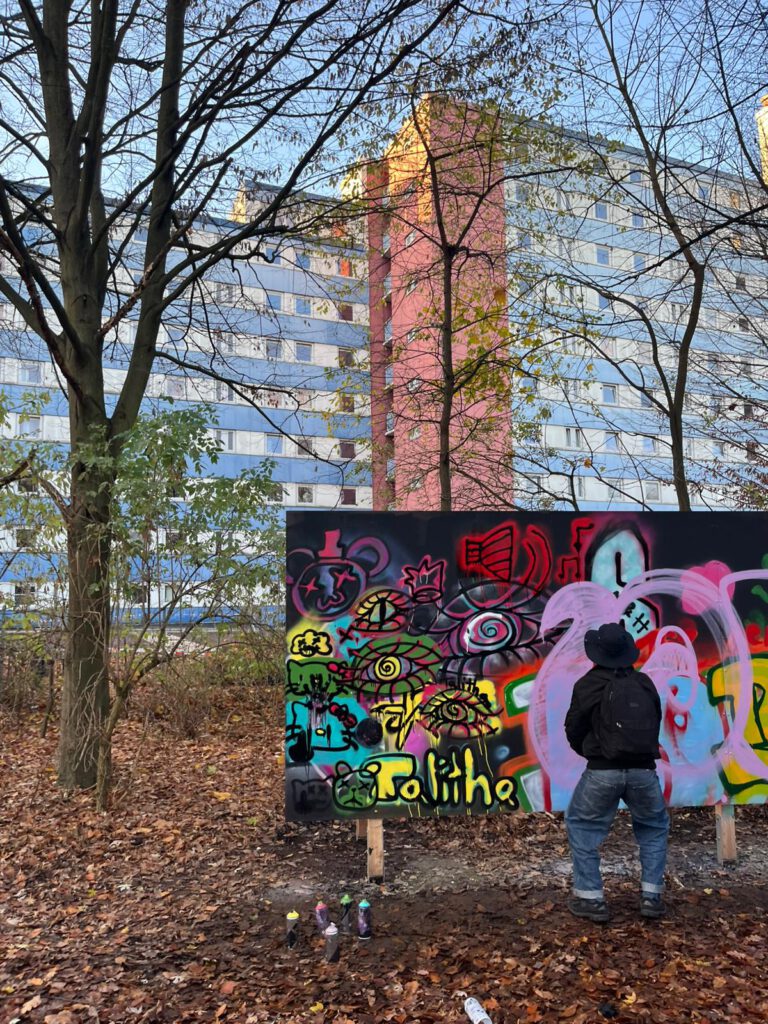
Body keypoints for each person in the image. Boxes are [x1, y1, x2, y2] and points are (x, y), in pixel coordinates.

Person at [564, 621, 668, 923]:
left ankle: (591, 899)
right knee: (653, 828)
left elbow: (573, 729)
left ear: (597, 653)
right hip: (644, 772)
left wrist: (594, 753)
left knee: (582, 825)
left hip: (602, 771)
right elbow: (655, 721)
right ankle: (651, 897)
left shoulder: (588, 684)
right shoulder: (644, 683)